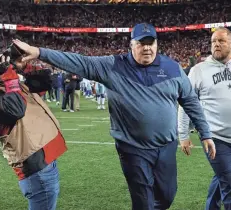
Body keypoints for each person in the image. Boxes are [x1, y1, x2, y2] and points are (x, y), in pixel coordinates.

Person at [12, 23, 216, 210]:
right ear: (131, 45)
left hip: (166, 146)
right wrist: (39, 52)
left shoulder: (172, 68)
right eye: (141, 43)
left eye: (150, 43)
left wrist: (205, 133)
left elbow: (189, 100)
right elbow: (80, 62)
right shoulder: (113, 66)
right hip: (132, 148)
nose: (146, 48)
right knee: (143, 201)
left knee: (167, 196)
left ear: (156, 43)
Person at [0, 55, 67, 210]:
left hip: (44, 161)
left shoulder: (11, 85)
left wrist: (23, 68)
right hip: (36, 166)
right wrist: (8, 76)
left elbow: (46, 82)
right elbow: (17, 110)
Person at [178, 27, 231, 210]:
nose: (216, 44)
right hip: (214, 137)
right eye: (214, 41)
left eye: (221, 41)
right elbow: (186, 103)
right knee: (229, 183)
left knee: (222, 176)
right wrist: (183, 134)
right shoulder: (198, 70)